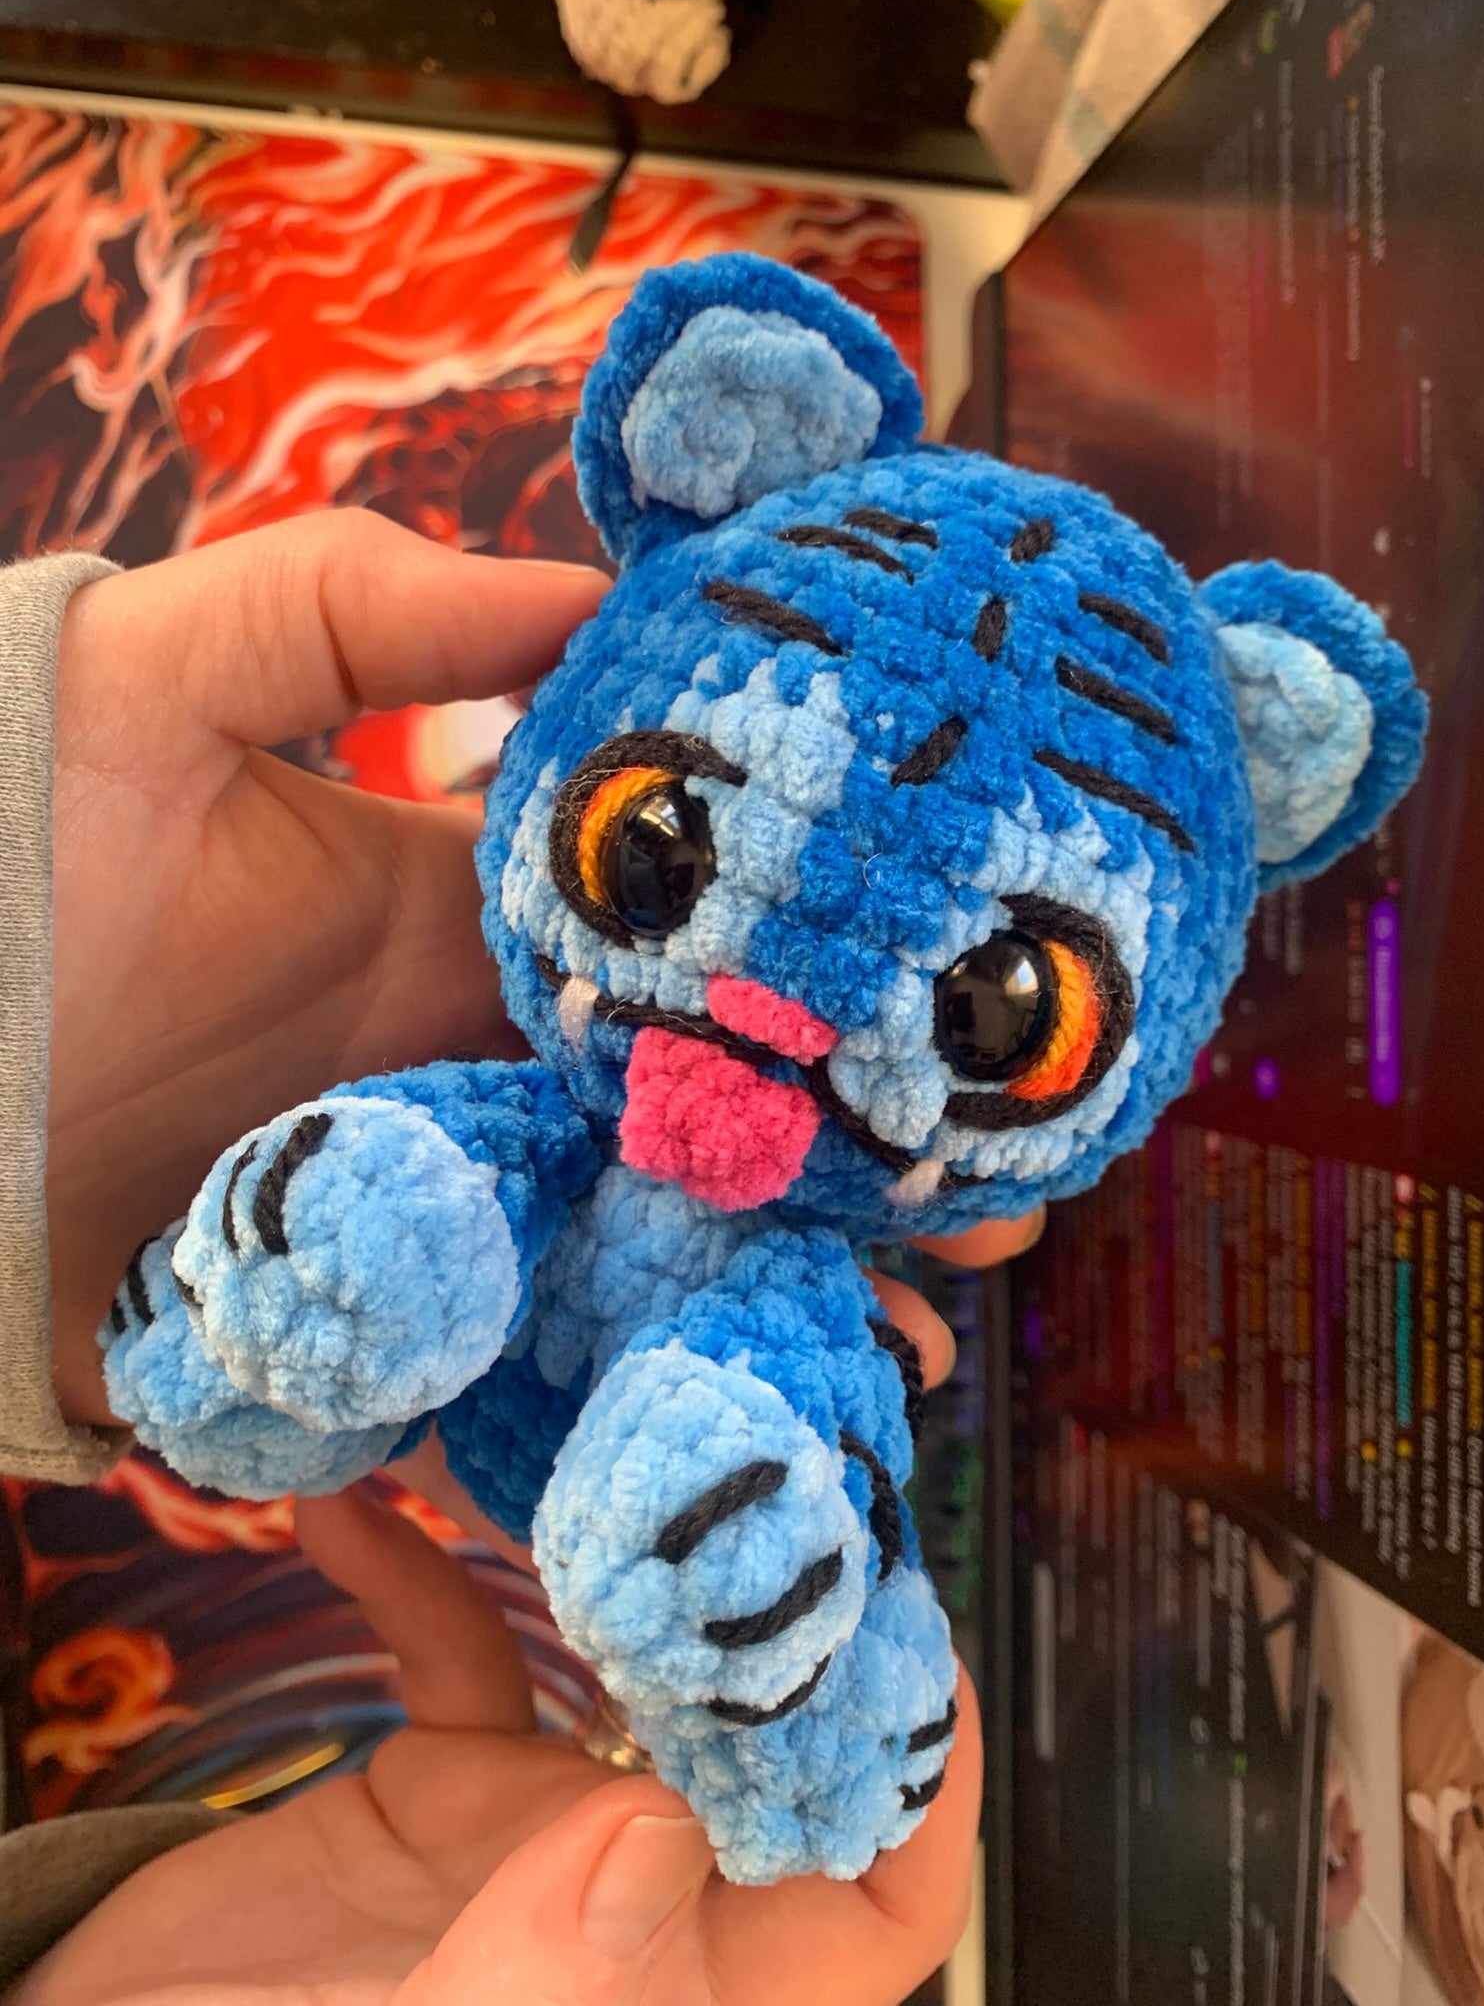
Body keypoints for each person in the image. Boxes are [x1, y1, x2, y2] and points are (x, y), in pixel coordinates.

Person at [0, 510, 1040, 2005]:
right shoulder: (534, 1104)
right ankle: (238, 1339)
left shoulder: (797, 1272)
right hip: (448, 1442)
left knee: (790, 1424)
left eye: (999, 1018)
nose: (781, 1017)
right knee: (395, 1209)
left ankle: (790, 1676)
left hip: (524, 1557)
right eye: (661, 847)